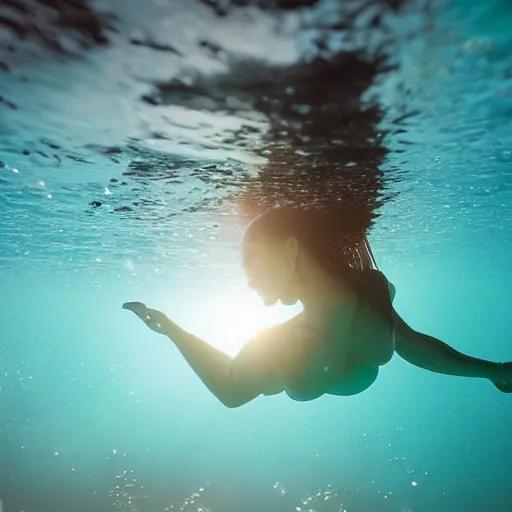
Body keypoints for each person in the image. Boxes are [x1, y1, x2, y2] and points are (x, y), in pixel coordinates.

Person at [123, 207, 512, 407]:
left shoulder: (371, 286)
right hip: (289, 365)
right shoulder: (277, 343)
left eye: (252, 263)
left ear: (291, 249)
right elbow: (231, 392)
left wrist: (495, 371)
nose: (249, 279)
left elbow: (413, 347)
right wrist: (173, 329)